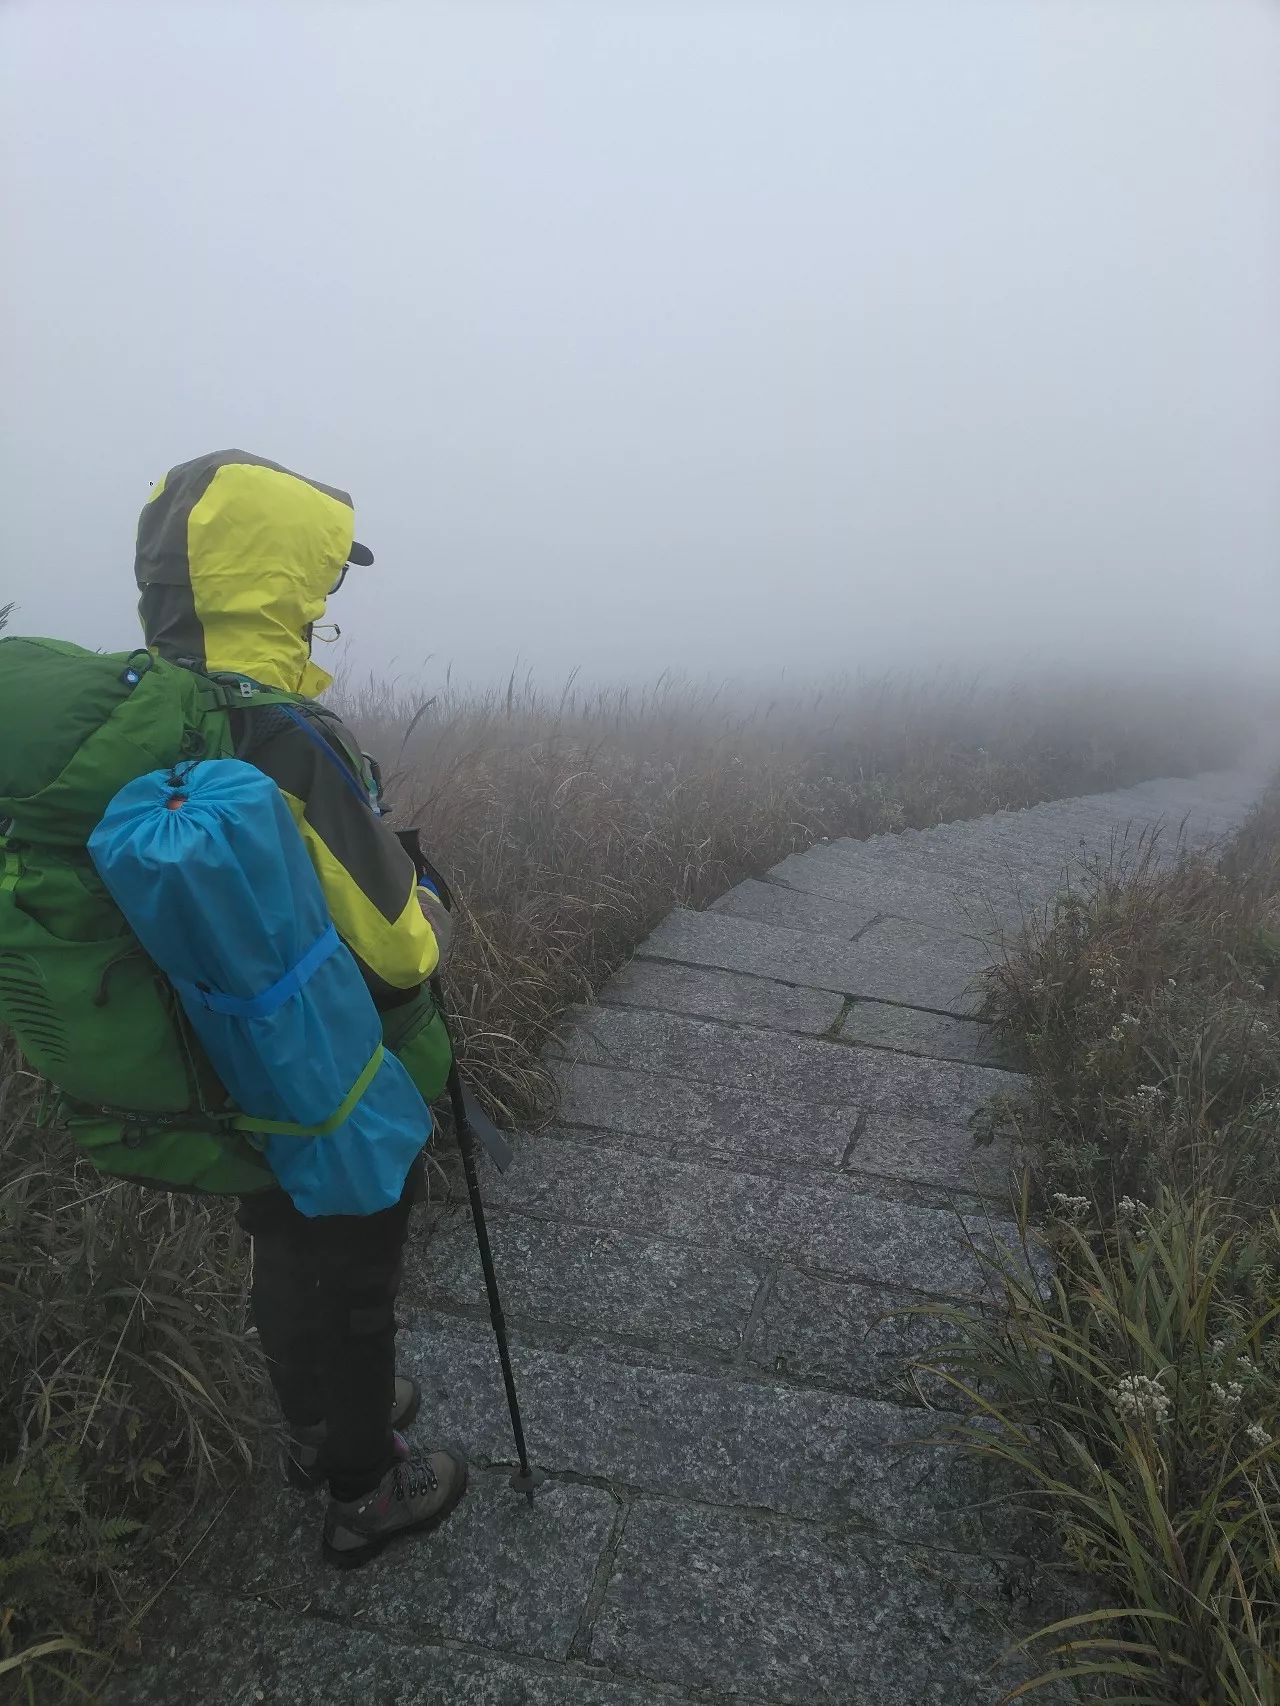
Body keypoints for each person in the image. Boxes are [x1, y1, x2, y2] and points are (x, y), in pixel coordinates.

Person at [134, 449, 468, 1567]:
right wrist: (428, 901)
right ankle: (367, 1488)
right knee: (360, 1261)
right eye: (316, 577)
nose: (326, 600)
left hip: (223, 1053)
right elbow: (395, 937)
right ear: (267, 580)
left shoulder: (156, 710)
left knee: (281, 1236)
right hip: (330, 1057)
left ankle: (318, 1425)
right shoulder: (282, 733)